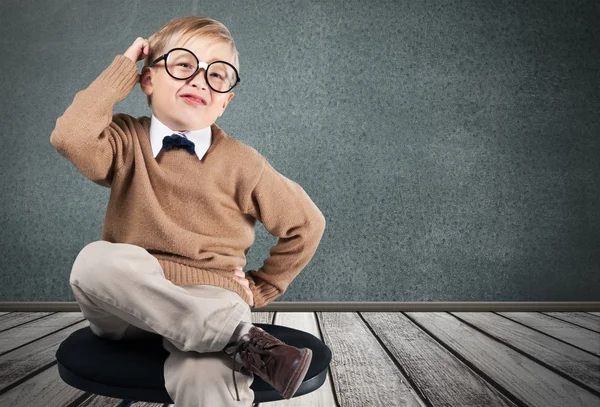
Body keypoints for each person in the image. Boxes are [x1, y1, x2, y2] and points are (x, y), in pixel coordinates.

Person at [49, 15, 326, 406]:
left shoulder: (244, 164)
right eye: (183, 65)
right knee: (93, 261)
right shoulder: (124, 140)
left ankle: (225, 335)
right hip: (128, 304)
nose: (200, 80)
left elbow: (307, 224)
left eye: (218, 75)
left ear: (226, 100)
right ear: (147, 80)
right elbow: (70, 136)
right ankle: (237, 337)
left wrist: (262, 287)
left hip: (212, 294)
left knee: (206, 376)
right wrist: (122, 68)